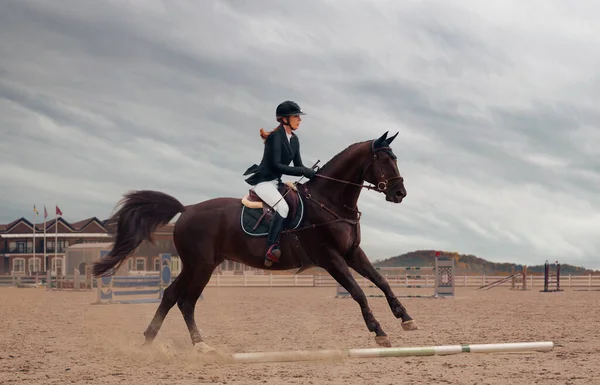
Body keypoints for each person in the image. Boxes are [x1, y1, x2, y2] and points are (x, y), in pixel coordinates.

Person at [243, 100, 317, 266]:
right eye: (296, 116)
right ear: (285, 119)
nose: (300, 119)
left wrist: (313, 174)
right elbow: (277, 165)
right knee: (283, 207)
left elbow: (298, 165)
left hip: (276, 183)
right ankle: (271, 247)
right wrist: (303, 171)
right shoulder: (275, 137)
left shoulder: (295, 139)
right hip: (264, 183)